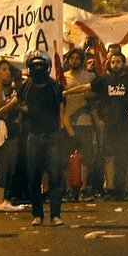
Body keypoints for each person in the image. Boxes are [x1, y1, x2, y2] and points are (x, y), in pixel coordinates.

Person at [77, 51, 128, 200]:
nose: (115, 65)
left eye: (118, 62)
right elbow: (87, 87)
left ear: (123, 63)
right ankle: (110, 189)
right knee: (108, 156)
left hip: (125, 124)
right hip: (109, 124)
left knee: (123, 158)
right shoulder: (104, 79)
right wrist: (67, 92)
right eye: (113, 62)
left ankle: (121, 190)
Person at [18, 50, 75, 226]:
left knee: (55, 176)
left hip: (53, 136)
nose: (38, 69)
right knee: (34, 176)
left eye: (41, 66)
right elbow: (20, 105)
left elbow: (62, 113)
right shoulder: (26, 87)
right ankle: (37, 215)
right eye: (34, 66)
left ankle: (56, 215)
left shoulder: (55, 87)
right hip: (34, 135)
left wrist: (71, 134)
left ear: (47, 67)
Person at [0, 59, 23, 211]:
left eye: (8, 69)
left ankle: (2, 199)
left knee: (5, 164)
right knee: (3, 164)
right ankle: (0, 201)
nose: (7, 72)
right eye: (3, 69)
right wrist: (14, 100)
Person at [63, 48, 99, 198]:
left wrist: (90, 95)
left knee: (86, 156)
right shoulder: (63, 77)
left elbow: (96, 95)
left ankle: (83, 187)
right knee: (66, 156)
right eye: (72, 58)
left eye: (78, 58)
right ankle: (69, 189)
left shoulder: (90, 77)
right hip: (67, 121)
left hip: (85, 121)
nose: (74, 61)